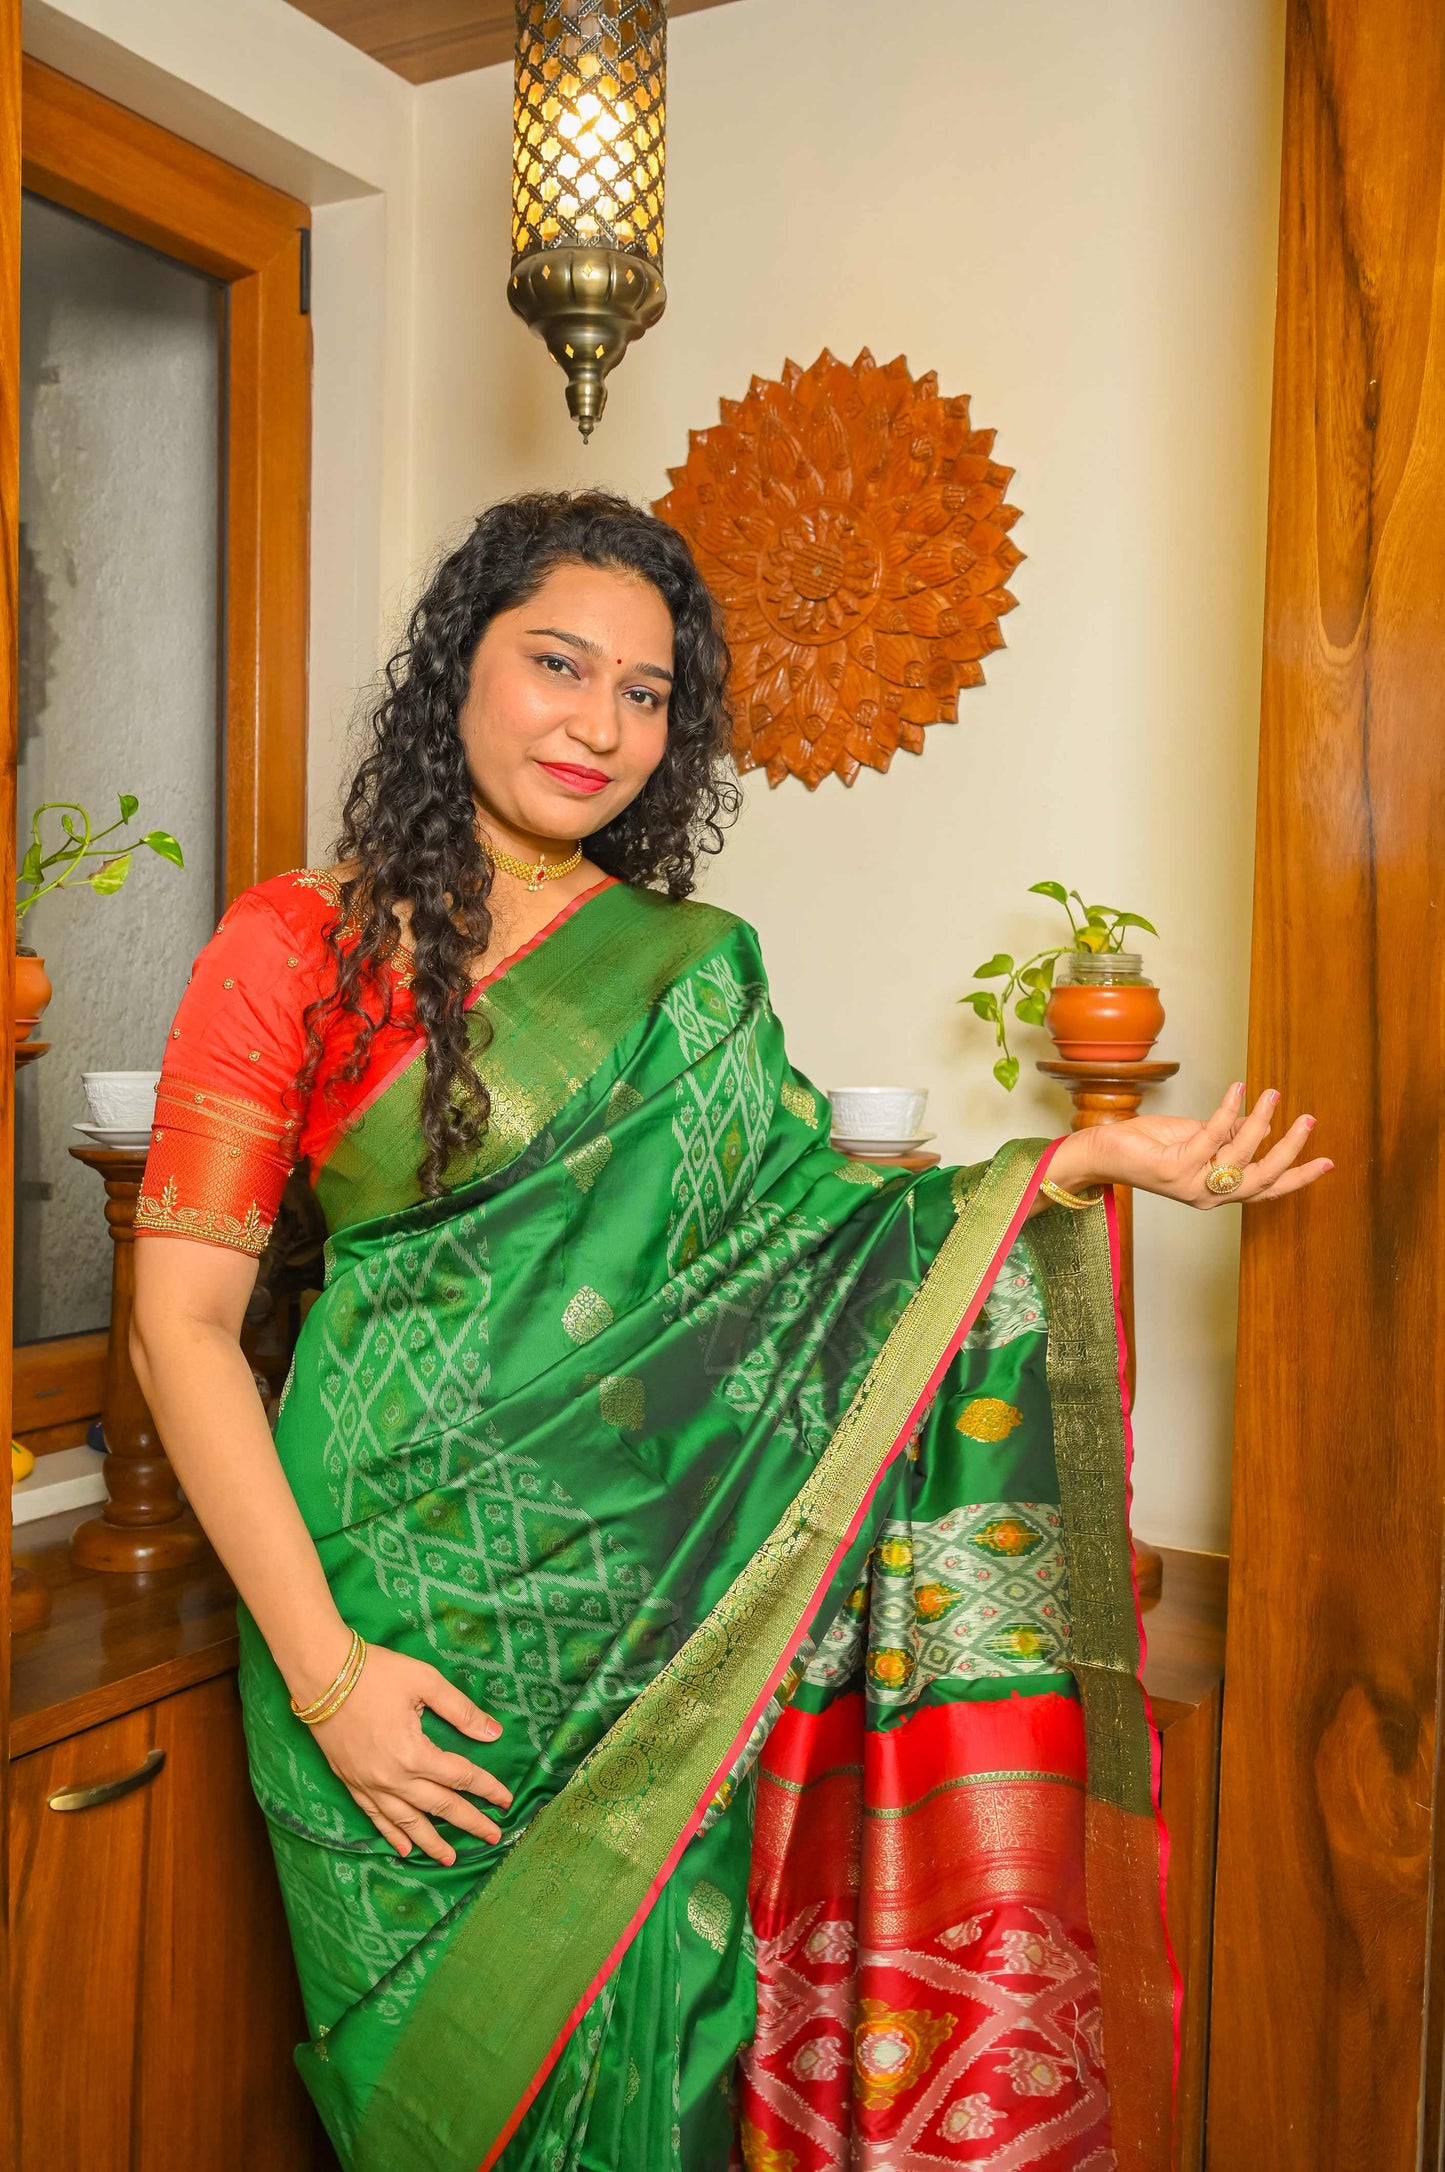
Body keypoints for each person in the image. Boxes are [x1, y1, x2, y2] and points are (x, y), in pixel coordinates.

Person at [130, 492, 1328, 2172]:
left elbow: (817, 1252)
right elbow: (180, 1328)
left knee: (663, 2074)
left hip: (656, 1633)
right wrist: (330, 1687)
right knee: (425, 2095)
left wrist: (1076, 1161)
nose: (598, 725)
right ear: (452, 671)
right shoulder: (294, 947)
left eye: (645, 696)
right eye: (557, 665)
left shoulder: (693, 970)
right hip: (382, 1609)